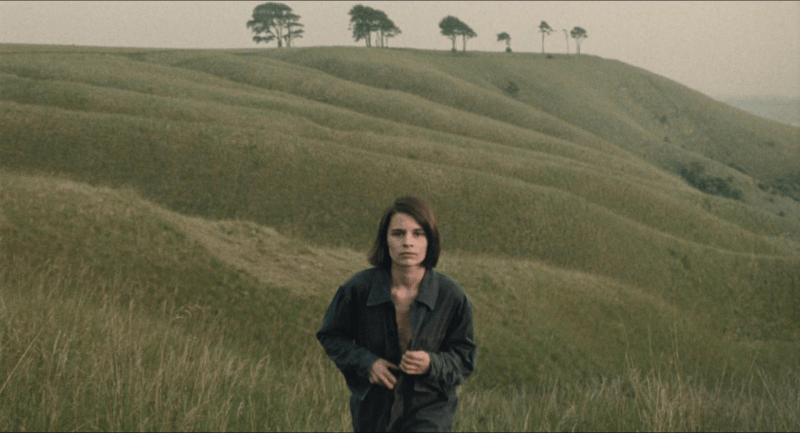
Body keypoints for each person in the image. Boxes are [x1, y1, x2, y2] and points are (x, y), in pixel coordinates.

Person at [317, 195, 477, 432]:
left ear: (430, 240)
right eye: (398, 233)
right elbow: (331, 336)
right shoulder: (357, 289)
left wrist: (431, 363)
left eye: (418, 234)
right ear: (385, 239)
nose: (407, 242)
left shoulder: (452, 297)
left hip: (430, 408)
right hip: (373, 409)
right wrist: (367, 362)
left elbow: (465, 359)